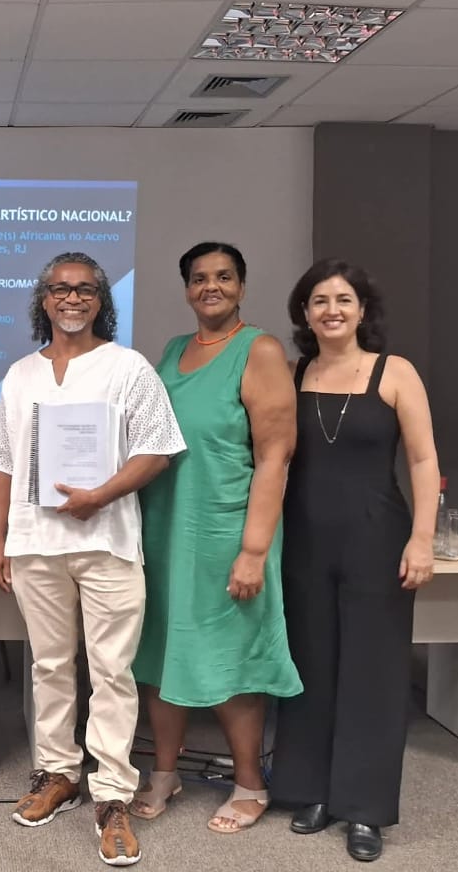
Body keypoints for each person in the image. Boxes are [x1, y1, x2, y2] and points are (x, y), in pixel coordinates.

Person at [0, 252, 184, 868]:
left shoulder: (128, 367)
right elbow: (2, 462)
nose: (72, 298)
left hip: (108, 541)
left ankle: (113, 794)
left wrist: (101, 494)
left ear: (101, 300)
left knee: (111, 672)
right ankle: (57, 772)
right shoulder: (20, 374)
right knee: (48, 665)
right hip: (34, 543)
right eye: (60, 288)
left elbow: (158, 449)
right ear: (43, 299)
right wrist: (0, 539)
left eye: (85, 289)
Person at [130, 242, 302, 832]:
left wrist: (254, 550)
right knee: (160, 652)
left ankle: (250, 782)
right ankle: (164, 773)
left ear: (242, 287)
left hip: (227, 531)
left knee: (232, 659)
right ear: (186, 290)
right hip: (165, 527)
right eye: (200, 278)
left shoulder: (260, 350)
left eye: (224, 277)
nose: (212, 287)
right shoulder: (173, 351)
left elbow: (275, 456)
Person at [271, 258, 438, 863]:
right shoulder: (292, 374)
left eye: (343, 300)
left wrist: (422, 539)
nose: (332, 310)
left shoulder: (396, 373)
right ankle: (311, 791)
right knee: (309, 666)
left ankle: (364, 807)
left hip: (377, 539)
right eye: (319, 301)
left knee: (374, 672)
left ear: (363, 310)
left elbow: (423, 460)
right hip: (303, 541)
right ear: (305, 312)